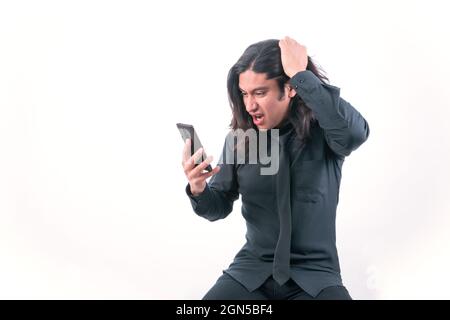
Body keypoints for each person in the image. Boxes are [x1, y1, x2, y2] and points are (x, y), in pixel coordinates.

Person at [181, 36, 369, 300]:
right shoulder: (240, 140)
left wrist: (301, 75)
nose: (250, 105)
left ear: (290, 89)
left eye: (260, 92)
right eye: (245, 93)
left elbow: (354, 134)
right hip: (251, 273)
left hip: (313, 277)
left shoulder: (326, 133)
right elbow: (218, 207)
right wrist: (199, 189)